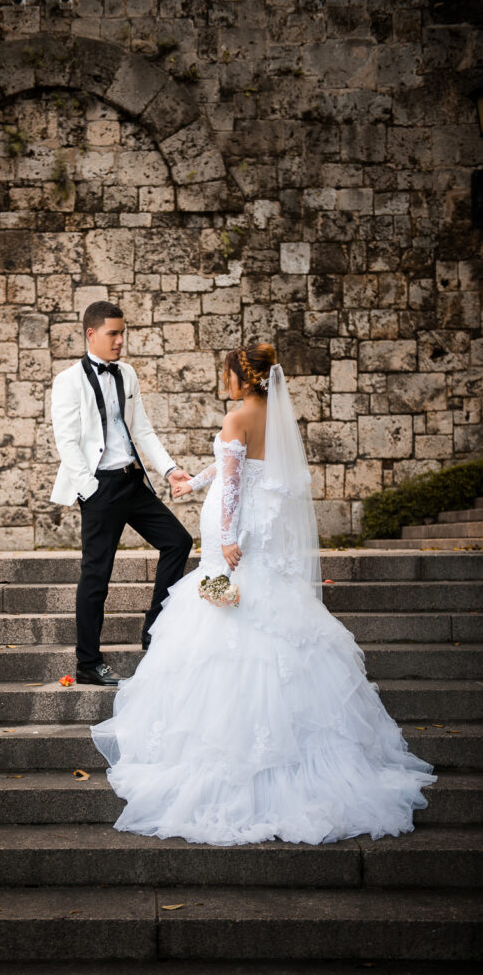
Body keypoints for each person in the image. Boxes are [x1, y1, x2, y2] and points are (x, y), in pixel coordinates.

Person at [91, 342, 436, 845]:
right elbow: (243, 467)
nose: (224, 378)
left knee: (224, 622)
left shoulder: (236, 417)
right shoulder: (273, 416)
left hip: (235, 537)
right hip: (263, 534)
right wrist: (195, 481)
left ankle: (224, 753)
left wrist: (226, 538)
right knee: (268, 615)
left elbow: (233, 483)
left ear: (241, 377)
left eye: (227, 372)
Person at [50, 300, 193, 686]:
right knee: (96, 575)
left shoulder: (127, 374)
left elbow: (142, 428)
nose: (120, 341)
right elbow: (66, 441)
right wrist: (89, 490)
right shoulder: (67, 381)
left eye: (122, 333)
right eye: (113, 333)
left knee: (178, 541)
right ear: (90, 335)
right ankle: (88, 663)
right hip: (99, 487)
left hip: (131, 481)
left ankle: (154, 629)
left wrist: (170, 469)